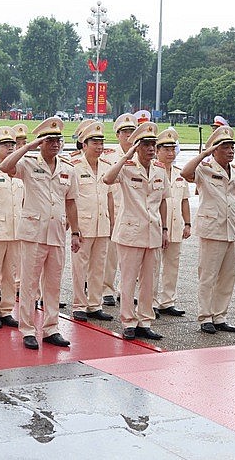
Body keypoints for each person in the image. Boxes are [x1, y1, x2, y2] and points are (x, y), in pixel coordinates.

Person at [0, 117, 80, 350]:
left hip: (56, 232)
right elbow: (5, 166)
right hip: (34, 233)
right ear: (40, 142)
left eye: (58, 140)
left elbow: (71, 202)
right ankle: (27, 329)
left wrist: (76, 231)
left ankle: (51, 328)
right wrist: (28, 147)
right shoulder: (28, 164)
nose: (55, 144)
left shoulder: (67, 169)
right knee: (29, 284)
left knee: (53, 284)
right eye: (49, 140)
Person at [102, 121, 169, 341]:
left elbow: (163, 201)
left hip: (153, 232)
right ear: (137, 147)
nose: (151, 149)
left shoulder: (160, 169)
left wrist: (165, 229)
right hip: (130, 232)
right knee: (129, 280)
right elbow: (107, 179)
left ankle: (145, 321)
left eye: (153, 144)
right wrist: (126, 157)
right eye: (146, 145)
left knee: (149, 281)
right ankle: (128, 321)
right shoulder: (127, 167)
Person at [181, 126, 235, 335]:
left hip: (231, 230)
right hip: (212, 230)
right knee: (208, 276)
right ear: (215, 150)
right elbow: (185, 172)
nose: (230, 151)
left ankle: (220, 316)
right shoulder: (204, 169)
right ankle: (205, 317)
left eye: (232, 147)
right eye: (225, 147)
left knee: (227, 277)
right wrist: (204, 154)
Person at [69, 121, 114, 322]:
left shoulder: (107, 166)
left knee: (99, 266)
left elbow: (110, 196)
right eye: (94, 143)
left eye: (101, 143)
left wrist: (112, 222)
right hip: (83, 225)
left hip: (102, 224)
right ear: (84, 145)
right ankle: (79, 305)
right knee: (80, 267)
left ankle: (95, 304)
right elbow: (69, 198)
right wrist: (74, 226)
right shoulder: (74, 167)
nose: (99, 146)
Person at [0, 126, 23, 329]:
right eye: (5, 145)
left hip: (16, 231)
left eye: (12, 145)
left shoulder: (20, 172)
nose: (10, 148)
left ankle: (7, 310)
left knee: (11, 274)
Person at [153, 128, 191, 317]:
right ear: (157, 150)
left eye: (172, 149)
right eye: (166, 149)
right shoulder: (152, 171)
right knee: (152, 267)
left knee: (172, 266)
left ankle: (167, 301)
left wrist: (188, 223)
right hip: (156, 226)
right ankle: (150, 302)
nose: (170, 153)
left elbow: (184, 200)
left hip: (175, 225)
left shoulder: (179, 173)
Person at [102, 113, 138, 307]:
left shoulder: (140, 155)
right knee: (110, 255)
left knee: (131, 257)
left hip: (133, 212)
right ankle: (106, 289)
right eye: (125, 132)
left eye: (132, 131)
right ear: (117, 135)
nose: (128, 135)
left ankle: (125, 290)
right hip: (113, 208)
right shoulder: (108, 156)